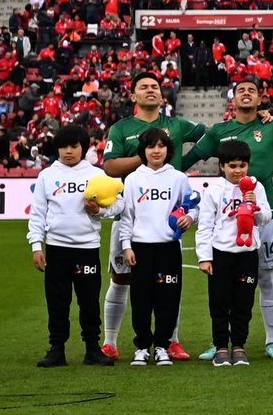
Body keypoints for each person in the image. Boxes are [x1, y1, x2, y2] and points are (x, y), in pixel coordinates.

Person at [100, 72, 206, 361]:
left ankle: (170, 341)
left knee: (169, 282)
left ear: (162, 95)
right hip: (131, 219)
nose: (150, 90)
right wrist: (144, 156)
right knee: (122, 278)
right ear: (133, 95)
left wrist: (186, 160)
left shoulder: (178, 125)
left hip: (165, 225)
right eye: (143, 86)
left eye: (155, 87)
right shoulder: (121, 129)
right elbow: (110, 167)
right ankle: (110, 341)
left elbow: (211, 138)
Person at [185, 78, 273, 359]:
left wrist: (272, 168)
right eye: (241, 90)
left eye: (252, 91)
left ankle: (271, 341)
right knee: (222, 290)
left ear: (260, 99)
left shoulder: (271, 126)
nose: (246, 94)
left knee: (267, 279)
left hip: (263, 218)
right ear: (233, 99)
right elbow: (191, 158)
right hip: (226, 227)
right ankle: (219, 342)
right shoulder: (220, 131)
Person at [27, 125, 124, 368]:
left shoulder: (96, 175)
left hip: (87, 248)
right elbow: (37, 214)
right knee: (57, 301)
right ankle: (57, 349)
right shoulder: (47, 176)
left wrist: (99, 210)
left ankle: (92, 349)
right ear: (57, 148)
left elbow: (119, 205)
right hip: (57, 249)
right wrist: (36, 245)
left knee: (89, 301)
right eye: (63, 147)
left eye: (74, 146)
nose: (68, 151)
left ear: (84, 148)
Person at [116, 128, 198, 367]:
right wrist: (126, 246)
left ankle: (162, 346)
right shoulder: (133, 179)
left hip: (168, 248)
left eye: (161, 146)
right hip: (140, 248)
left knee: (168, 299)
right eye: (151, 146)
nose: (156, 151)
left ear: (168, 150)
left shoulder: (178, 178)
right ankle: (142, 347)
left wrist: (190, 218)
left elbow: (192, 206)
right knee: (141, 299)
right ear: (143, 150)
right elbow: (126, 216)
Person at [195, 139, 272, 367]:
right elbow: (205, 225)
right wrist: (204, 257)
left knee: (243, 303)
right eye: (232, 166)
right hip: (221, 254)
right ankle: (220, 347)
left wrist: (255, 206)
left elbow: (266, 217)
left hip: (247, 254)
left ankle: (238, 346)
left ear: (248, 166)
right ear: (222, 167)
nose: (238, 171)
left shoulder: (256, 187)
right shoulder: (214, 190)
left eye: (242, 166)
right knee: (219, 303)